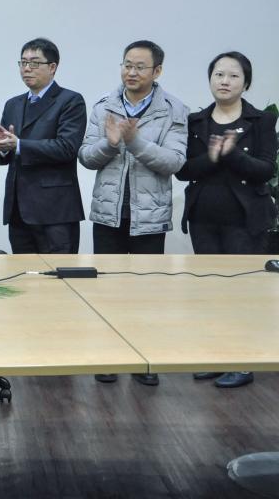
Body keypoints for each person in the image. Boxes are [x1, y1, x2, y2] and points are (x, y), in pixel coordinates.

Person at [79, 39, 188, 387]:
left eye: (140, 67)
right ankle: (109, 357)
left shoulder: (173, 110)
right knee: (107, 289)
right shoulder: (104, 106)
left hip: (149, 217)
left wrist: (135, 142)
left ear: (157, 71)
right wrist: (110, 143)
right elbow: (86, 156)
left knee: (147, 291)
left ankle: (145, 360)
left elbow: (174, 161)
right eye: (127, 65)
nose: (131, 72)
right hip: (108, 212)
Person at [177, 51, 277, 389]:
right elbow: (184, 170)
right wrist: (212, 157)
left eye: (234, 76)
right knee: (211, 291)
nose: (224, 81)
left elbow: (266, 169)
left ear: (246, 83)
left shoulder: (261, 121)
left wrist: (232, 154)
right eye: (218, 74)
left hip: (245, 221)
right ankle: (216, 357)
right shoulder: (196, 121)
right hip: (204, 218)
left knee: (240, 293)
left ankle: (242, 362)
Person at [0, 38, 86, 254]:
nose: (26, 68)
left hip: (55, 211)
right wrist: (2, 147)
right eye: (23, 63)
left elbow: (67, 147)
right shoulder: (13, 104)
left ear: (52, 67)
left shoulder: (70, 100)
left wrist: (19, 145)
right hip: (18, 210)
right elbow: (5, 156)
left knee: (58, 272)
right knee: (24, 272)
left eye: (34, 63)